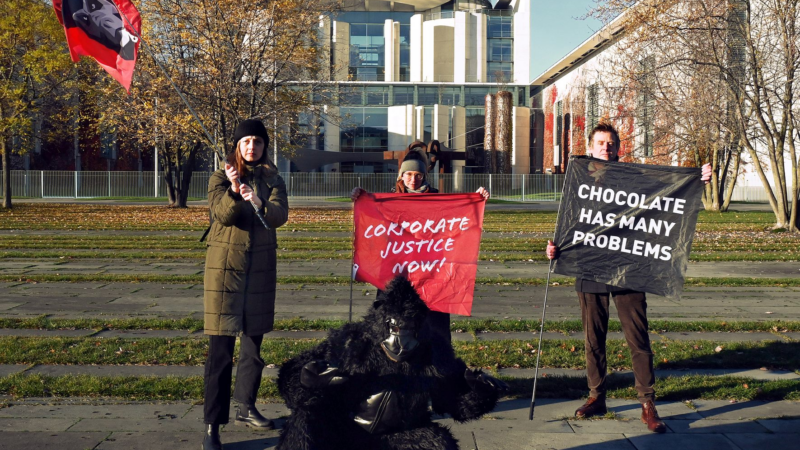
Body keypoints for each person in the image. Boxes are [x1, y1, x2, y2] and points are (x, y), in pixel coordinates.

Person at [545, 123, 711, 433]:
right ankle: (596, 397)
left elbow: (668, 194)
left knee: (638, 338)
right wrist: (555, 247)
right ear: (591, 147)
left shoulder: (635, 179)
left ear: (619, 148)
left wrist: (696, 180)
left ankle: (647, 403)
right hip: (588, 266)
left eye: (610, 143)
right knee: (593, 338)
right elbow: (568, 222)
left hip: (628, 267)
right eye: (600, 143)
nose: (605, 148)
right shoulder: (580, 180)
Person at [202, 119, 289, 450]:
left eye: (258, 141)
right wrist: (234, 192)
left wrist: (257, 200)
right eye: (246, 141)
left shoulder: (273, 178)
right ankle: (212, 426)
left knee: (253, 349)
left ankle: (246, 406)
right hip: (225, 271)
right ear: (237, 146)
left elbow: (279, 215)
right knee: (220, 354)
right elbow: (222, 215)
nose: (252, 147)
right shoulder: (219, 177)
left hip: (261, 270)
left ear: (264, 146)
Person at [350, 141, 489, 344]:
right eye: (408, 174)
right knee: (390, 320)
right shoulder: (389, 202)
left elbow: (459, 221)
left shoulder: (436, 201)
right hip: (397, 270)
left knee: (433, 322)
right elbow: (373, 226)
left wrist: (477, 199)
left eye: (418, 175)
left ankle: (437, 363)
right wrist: (359, 198)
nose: (413, 179)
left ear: (424, 177)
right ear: (401, 176)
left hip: (430, 272)